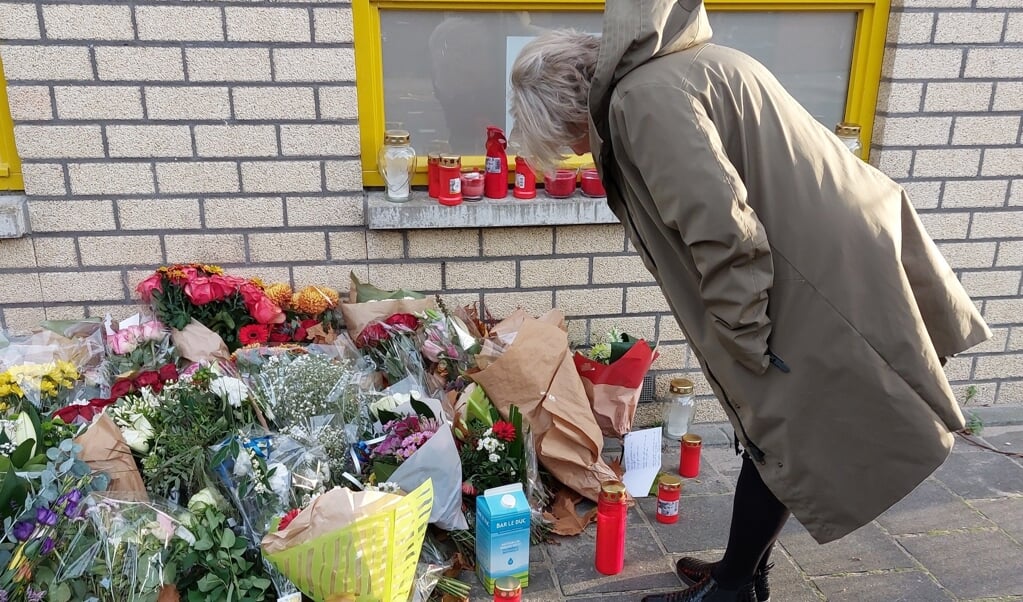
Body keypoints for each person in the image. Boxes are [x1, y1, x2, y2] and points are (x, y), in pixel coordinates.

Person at [508, 0, 992, 600]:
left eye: (570, 137)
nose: (579, 147)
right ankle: (740, 573)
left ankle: (736, 586)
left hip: (807, 275)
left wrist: (740, 335)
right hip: (820, 258)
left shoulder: (644, 101)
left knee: (778, 423)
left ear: (568, 107)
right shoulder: (683, 63)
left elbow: (724, 230)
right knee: (773, 431)